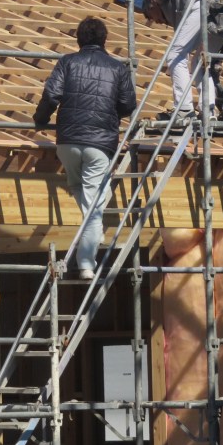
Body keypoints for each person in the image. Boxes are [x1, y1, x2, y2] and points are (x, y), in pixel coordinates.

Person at [33, 17, 137, 280]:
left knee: (79, 187)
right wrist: (109, 112)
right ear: (104, 39)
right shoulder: (117, 68)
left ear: (79, 39)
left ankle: (93, 234)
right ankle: (86, 263)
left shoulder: (67, 62)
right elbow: (128, 104)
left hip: (67, 141)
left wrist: (40, 120)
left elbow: (51, 95)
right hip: (99, 144)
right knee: (94, 209)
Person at [122, 0, 223, 120]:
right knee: (201, 61)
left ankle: (184, 108)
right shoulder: (174, 14)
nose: (155, 21)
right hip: (222, 16)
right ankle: (208, 109)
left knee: (174, 55)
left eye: (150, 16)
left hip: (201, 6)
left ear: (152, 4)